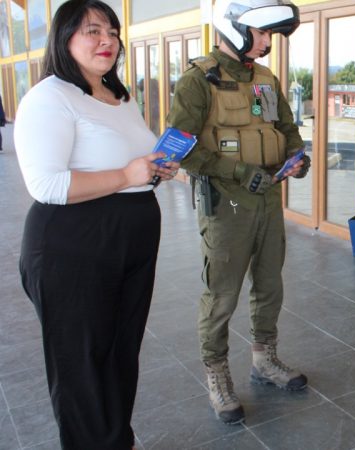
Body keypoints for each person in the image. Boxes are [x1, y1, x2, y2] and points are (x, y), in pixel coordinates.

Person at [14, 1, 179, 448]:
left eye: (112, 30)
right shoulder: (49, 97)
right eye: (92, 30)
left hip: (131, 237)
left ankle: (114, 440)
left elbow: (125, 161)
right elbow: (46, 183)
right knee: (82, 367)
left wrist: (153, 169)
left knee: (120, 354)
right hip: (74, 244)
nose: (107, 40)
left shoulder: (117, 95)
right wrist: (128, 175)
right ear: (64, 38)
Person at [167, 0, 309, 425]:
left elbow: (286, 127)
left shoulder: (266, 78)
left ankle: (265, 360)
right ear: (235, 29)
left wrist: (297, 157)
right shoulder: (198, 79)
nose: (267, 42)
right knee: (222, 295)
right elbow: (180, 147)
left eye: (269, 35)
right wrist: (236, 170)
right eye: (263, 34)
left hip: (268, 196)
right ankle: (217, 375)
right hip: (227, 202)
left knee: (269, 285)